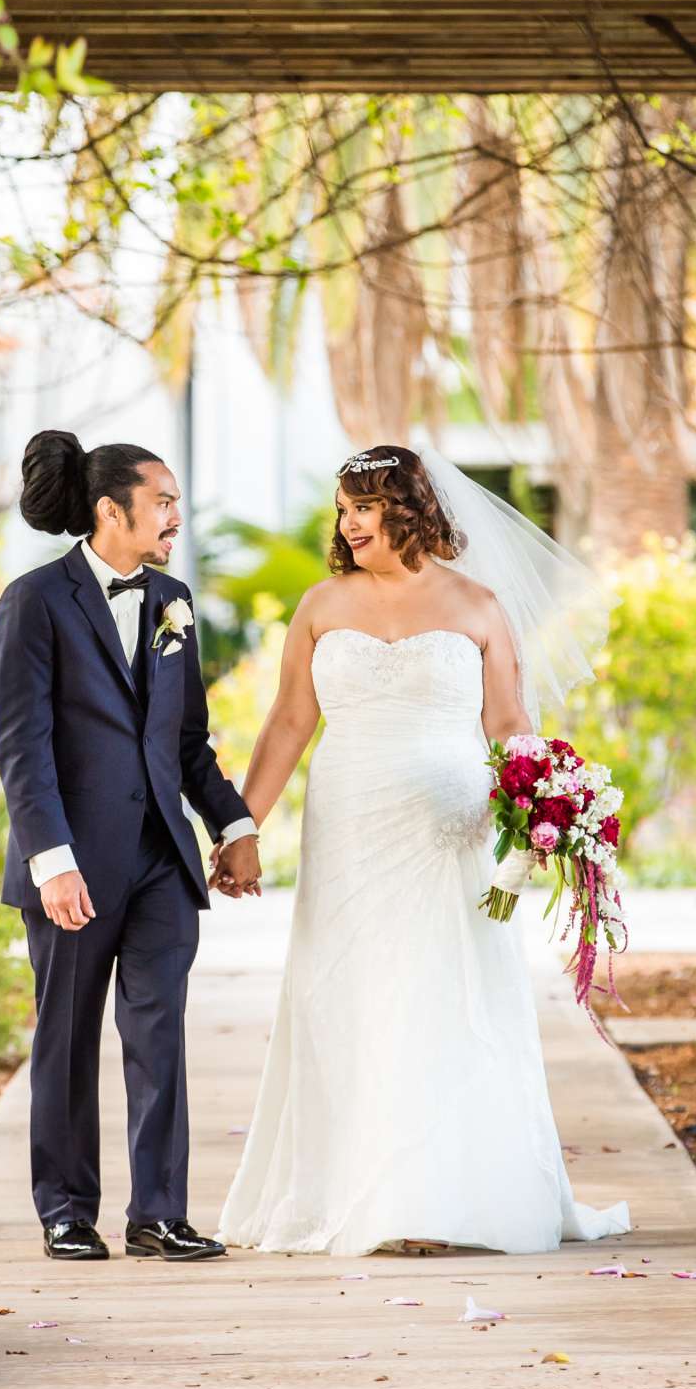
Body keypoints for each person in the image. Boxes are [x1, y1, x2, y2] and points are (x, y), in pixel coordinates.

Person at [214, 444, 630, 1258]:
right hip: (350, 824)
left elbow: (508, 726)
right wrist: (242, 828)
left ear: (408, 509)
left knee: (446, 993)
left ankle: (444, 1197)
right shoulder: (322, 604)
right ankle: (360, 1195)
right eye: (342, 510)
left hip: (452, 831)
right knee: (350, 993)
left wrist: (542, 808)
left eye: (361, 508)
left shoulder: (478, 605)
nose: (347, 525)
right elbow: (290, 723)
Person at [0, 430, 261, 1262]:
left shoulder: (174, 599)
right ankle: (67, 1211)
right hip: (71, 865)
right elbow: (23, 744)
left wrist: (235, 824)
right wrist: (51, 861)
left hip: (161, 866)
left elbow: (186, 742)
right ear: (113, 510)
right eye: (163, 501)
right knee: (66, 1041)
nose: (176, 516)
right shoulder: (35, 601)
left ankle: (159, 1213)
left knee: (158, 1037)